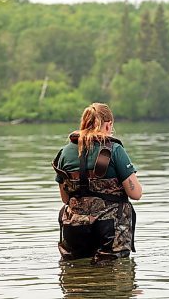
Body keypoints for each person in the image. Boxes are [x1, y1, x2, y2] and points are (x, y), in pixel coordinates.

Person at [52, 103, 142, 263]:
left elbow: (65, 199)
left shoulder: (65, 152)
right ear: (108, 125)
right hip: (110, 230)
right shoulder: (114, 150)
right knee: (115, 279)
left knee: (77, 279)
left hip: (74, 228)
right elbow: (136, 194)